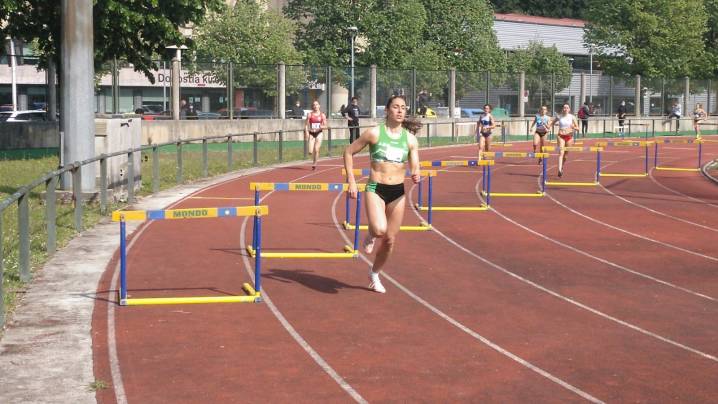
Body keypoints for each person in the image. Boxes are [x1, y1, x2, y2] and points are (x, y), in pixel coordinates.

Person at [344, 95, 421, 294]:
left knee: (389, 241)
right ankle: (370, 234)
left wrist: (415, 172)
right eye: (396, 107)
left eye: (403, 107)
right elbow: (348, 152)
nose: (400, 111)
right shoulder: (374, 134)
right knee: (379, 229)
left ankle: (374, 274)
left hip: (398, 192)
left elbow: (415, 163)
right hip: (375, 188)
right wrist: (351, 180)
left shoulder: (410, 139)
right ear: (387, 110)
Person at [554, 103, 579, 178]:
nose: (565, 109)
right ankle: (559, 170)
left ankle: (562, 167)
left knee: (566, 156)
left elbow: (578, 128)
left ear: (569, 109)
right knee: (561, 152)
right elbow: (552, 122)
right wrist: (550, 125)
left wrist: (573, 127)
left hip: (569, 137)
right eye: (564, 108)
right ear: (563, 109)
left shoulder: (572, 117)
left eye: (567, 108)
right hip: (560, 136)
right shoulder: (559, 116)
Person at [304, 100, 327, 170]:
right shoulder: (310, 114)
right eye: (314, 105)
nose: (315, 106)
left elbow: (326, 126)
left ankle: (315, 163)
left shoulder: (322, 115)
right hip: (311, 133)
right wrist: (307, 132)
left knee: (316, 149)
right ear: (312, 106)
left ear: (319, 106)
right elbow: (305, 125)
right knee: (310, 152)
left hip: (319, 133)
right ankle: (313, 159)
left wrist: (321, 127)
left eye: (316, 105)